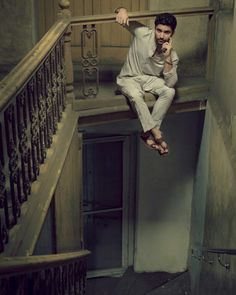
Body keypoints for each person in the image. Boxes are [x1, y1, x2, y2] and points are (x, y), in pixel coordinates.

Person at [115, 7, 178, 155]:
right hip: (129, 78)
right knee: (137, 96)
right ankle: (155, 133)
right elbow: (120, 17)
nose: (161, 35)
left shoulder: (172, 55)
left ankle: (146, 133)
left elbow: (170, 83)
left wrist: (167, 57)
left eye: (166, 32)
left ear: (172, 34)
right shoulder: (142, 32)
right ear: (154, 28)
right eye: (159, 30)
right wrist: (122, 9)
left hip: (149, 80)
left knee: (169, 91)